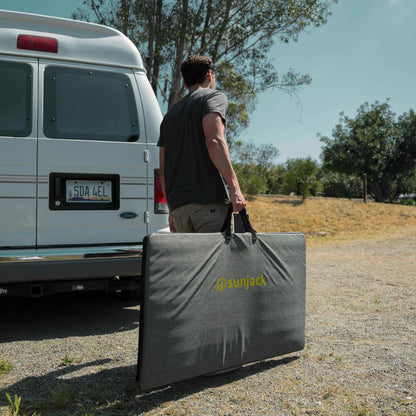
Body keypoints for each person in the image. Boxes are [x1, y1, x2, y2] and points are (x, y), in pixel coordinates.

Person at [158, 55, 246, 233]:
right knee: (217, 261)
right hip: (209, 205)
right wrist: (235, 188)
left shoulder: (169, 116)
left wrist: (171, 211)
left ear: (184, 83)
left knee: (192, 262)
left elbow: (163, 170)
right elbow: (214, 142)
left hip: (179, 209)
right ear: (210, 76)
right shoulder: (213, 97)